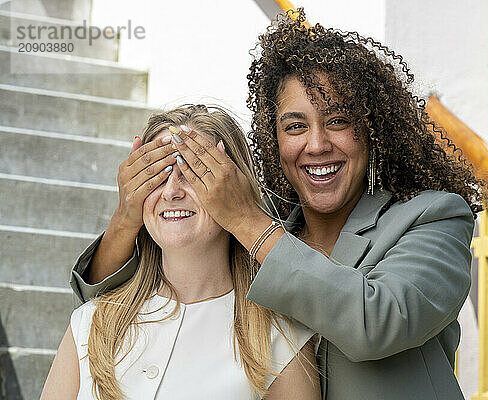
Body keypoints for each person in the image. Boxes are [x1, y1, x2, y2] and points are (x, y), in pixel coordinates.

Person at [68, 10, 488, 399]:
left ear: (372, 131)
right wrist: (126, 217)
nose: (317, 144)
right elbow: (119, 299)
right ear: (274, 140)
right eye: (295, 126)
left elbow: (377, 322)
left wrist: (246, 219)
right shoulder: (270, 237)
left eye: (338, 121)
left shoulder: (433, 217)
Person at [41, 105, 319, 400]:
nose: (171, 191)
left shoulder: (282, 339)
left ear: (235, 189)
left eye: (194, 172)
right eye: (157, 175)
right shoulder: (89, 323)